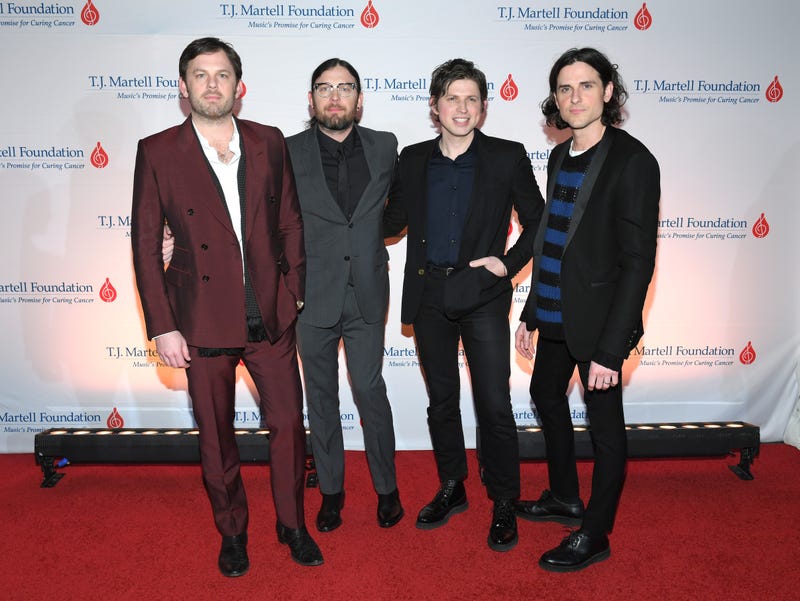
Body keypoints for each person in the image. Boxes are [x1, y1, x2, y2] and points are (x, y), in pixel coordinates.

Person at [131, 37, 323, 576]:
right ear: (183, 85)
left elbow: (290, 220)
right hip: (200, 319)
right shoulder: (157, 151)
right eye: (200, 74)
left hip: (270, 315)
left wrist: (295, 289)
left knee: (289, 426)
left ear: (239, 87)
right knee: (216, 437)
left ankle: (292, 525)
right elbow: (145, 245)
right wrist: (163, 326)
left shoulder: (269, 140)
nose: (211, 84)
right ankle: (233, 532)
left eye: (222, 75)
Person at [383, 58, 545, 551]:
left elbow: (538, 221)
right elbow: (390, 222)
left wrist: (508, 263)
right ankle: (453, 485)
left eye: (471, 98)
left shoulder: (506, 156)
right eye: (452, 98)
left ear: (483, 107)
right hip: (429, 293)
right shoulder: (412, 158)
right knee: (441, 400)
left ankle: (504, 498)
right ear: (435, 106)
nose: (462, 107)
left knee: (494, 402)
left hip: (482, 295)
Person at [514, 47, 660, 572]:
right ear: (555, 98)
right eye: (564, 88)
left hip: (599, 324)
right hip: (555, 313)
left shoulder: (633, 161)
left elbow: (638, 263)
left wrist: (611, 349)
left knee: (605, 430)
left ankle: (595, 533)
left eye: (587, 85)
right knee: (544, 392)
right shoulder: (559, 156)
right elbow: (551, 243)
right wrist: (531, 310)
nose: (575, 97)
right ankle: (563, 495)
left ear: (608, 91)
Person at [285, 58, 403, 532]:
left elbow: (396, 211)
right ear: (310, 99)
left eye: (345, 87)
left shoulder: (385, 145)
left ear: (360, 98)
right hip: (311, 296)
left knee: (370, 390)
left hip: (367, 292)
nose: (335, 96)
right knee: (321, 396)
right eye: (324, 87)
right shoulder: (286, 151)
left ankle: (388, 488)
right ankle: (331, 491)